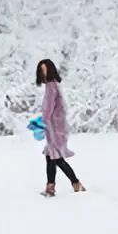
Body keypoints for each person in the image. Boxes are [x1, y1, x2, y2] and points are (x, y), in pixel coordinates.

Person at [36, 59, 86, 197]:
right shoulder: (54, 85)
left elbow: (48, 108)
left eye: (45, 69)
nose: (43, 72)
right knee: (50, 156)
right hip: (57, 127)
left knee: (56, 158)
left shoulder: (51, 86)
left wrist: (40, 123)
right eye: (41, 70)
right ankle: (50, 188)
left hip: (55, 128)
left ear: (50, 70)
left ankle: (76, 183)